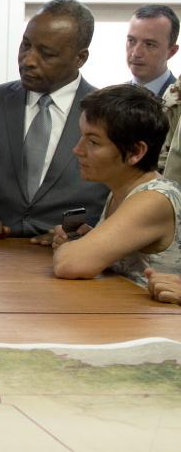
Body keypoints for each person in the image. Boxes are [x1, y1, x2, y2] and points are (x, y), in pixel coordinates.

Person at [0, 0, 108, 241]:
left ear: (80, 58)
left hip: (74, 259)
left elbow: (124, 196)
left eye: (46, 54)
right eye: (25, 45)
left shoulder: (107, 114)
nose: (28, 60)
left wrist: (84, 237)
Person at [50, 85, 181, 305]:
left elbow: (70, 264)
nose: (77, 150)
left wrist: (71, 248)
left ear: (136, 152)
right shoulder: (122, 190)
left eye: (93, 142)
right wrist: (86, 240)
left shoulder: (153, 199)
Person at [126, 5, 178, 97]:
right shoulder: (108, 100)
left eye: (149, 44)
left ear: (172, 51)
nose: (136, 53)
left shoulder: (177, 99)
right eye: (131, 41)